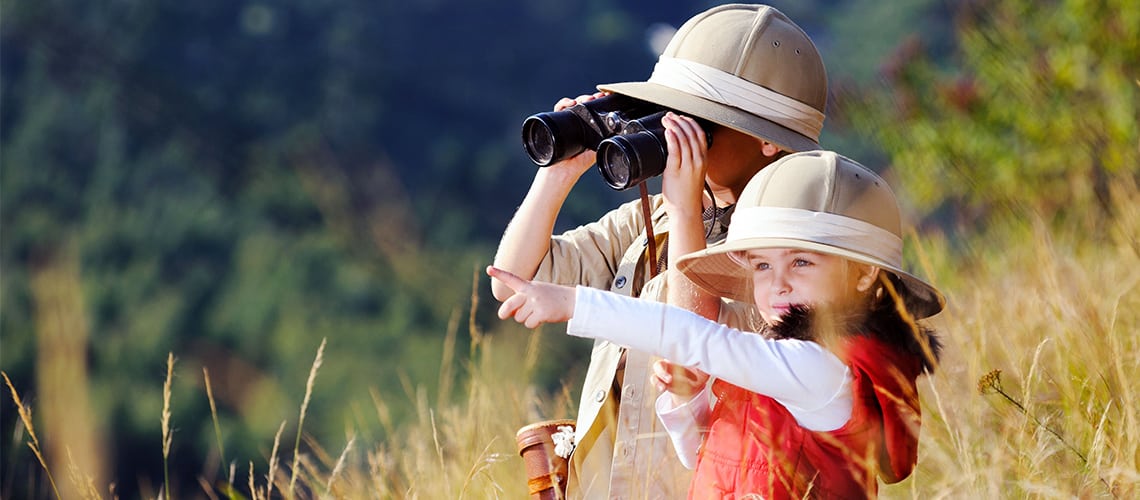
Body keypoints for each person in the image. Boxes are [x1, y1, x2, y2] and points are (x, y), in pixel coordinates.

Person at [490, 4, 828, 497]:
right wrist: (558, 173)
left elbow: (694, 343)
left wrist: (687, 208)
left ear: (767, 140)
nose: (675, 132)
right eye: (668, 113)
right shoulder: (656, 220)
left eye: (700, 122)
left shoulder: (786, 253)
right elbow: (512, 281)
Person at [488, 150, 946, 498]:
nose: (778, 285)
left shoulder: (825, 368)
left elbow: (698, 338)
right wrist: (685, 401)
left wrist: (572, 302)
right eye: (762, 267)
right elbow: (702, 457)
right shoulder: (780, 363)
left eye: (802, 263)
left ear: (864, 274)